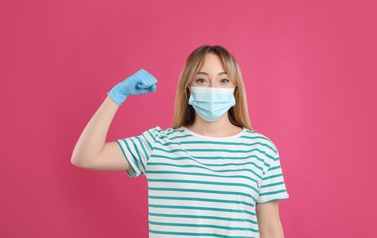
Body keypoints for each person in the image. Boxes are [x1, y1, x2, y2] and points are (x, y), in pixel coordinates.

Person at [71, 45, 289, 238]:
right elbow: (86, 157)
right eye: (201, 80)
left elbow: (270, 230)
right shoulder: (157, 144)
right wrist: (117, 95)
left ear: (235, 89)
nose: (212, 88)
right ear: (188, 88)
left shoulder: (262, 150)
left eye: (223, 80)